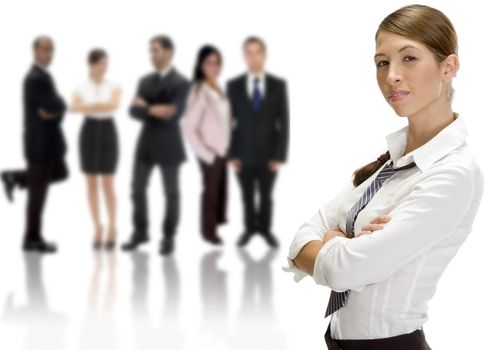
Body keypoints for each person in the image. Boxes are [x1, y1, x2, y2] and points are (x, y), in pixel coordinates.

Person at [284, 4, 484, 350]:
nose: (391, 75)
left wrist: (333, 241)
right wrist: (342, 244)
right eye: (382, 62)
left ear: (448, 67)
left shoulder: (452, 173)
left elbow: (344, 272)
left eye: (409, 58)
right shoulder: (388, 164)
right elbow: (301, 237)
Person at [121, 35, 190, 256]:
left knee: (171, 193)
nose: (152, 55)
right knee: (137, 189)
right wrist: (153, 109)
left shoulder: (181, 82)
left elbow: (173, 113)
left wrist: (146, 107)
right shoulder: (144, 81)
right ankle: (140, 232)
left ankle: (168, 237)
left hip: (169, 144)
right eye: (150, 50)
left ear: (169, 52)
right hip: (146, 144)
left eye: (157, 50)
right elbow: (132, 110)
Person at [1, 36, 68, 253]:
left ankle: (15, 177)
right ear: (35, 51)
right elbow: (54, 104)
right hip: (40, 145)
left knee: (60, 173)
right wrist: (58, 106)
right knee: (37, 193)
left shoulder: (43, 76)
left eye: (52, 49)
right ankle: (32, 238)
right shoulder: (35, 78)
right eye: (45, 49)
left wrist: (56, 110)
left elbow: (55, 108)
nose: (49, 53)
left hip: (50, 143)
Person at [226, 36, 289, 248]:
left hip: (268, 152)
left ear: (264, 55)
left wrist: (279, 155)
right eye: (249, 53)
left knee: (265, 195)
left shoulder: (277, 86)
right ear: (245, 57)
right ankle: (249, 229)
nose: (253, 58)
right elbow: (229, 122)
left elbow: (284, 122)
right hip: (242, 152)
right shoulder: (233, 86)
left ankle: (264, 229)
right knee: (246, 195)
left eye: (257, 53)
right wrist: (231, 154)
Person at [69, 48, 122, 250]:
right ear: (90, 65)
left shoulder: (115, 86)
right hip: (88, 133)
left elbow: (114, 105)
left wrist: (88, 106)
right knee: (91, 183)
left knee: (108, 184)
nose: (103, 67)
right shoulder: (81, 88)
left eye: (105, 63)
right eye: (99, 63)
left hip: (108, 131)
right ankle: (97, 227)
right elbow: (72, 108)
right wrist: (99, 105)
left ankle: (112, 227)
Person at [180, 45, 231, 245]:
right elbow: (188, 127)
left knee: (220, 190)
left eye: (217, 62)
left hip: (222, 149)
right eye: (209, 62)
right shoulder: (200, 90)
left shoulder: (216, 88)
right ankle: (209, 233)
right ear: (201, 65)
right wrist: (206, 153)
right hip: (210, 151)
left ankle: (217, 222)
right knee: (210, 192)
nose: (214, 66)